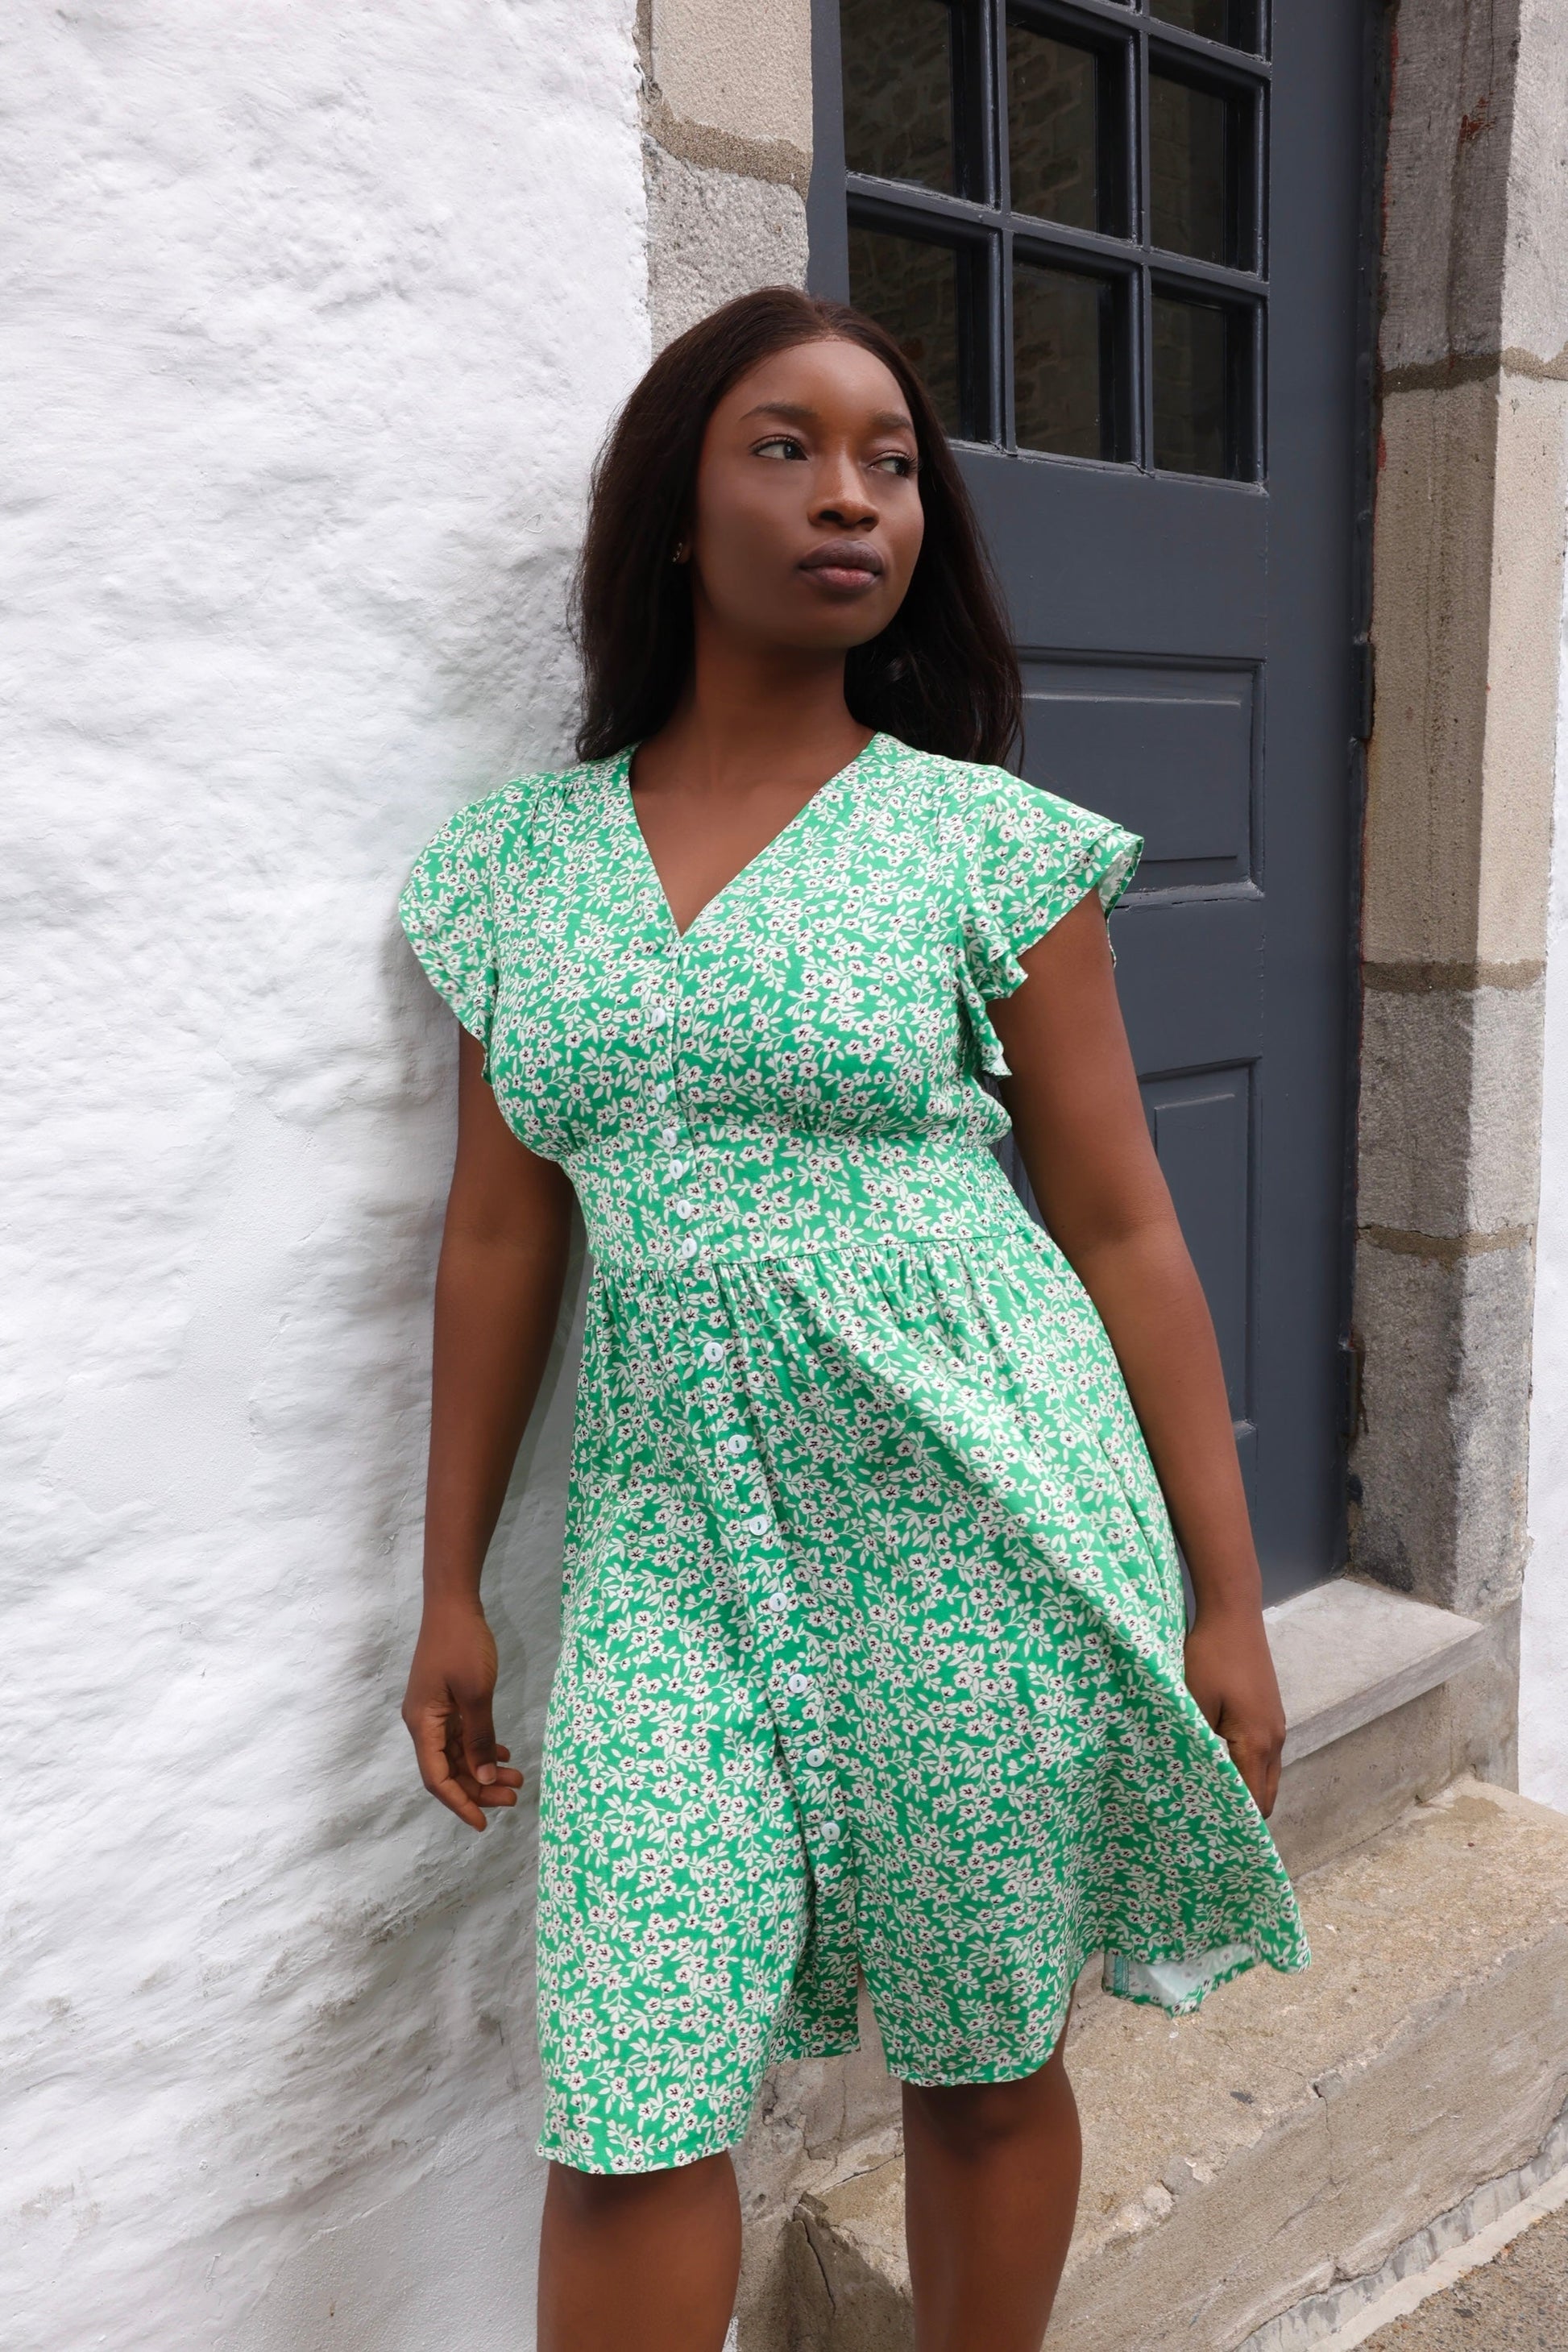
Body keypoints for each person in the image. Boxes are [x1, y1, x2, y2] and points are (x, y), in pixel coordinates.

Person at [396, 285, 1309, 2352]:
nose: (853, 498)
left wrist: (1224, 1598)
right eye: (787, 447)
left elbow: (1121, 1223)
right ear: (674, 508)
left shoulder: (980, 843)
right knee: (629, 2095)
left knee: (979, 2058)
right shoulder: (517, 870)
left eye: (891, 463)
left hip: (971, 1513)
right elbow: (500, 1237)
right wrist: (448, 1582)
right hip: (667, 1555)